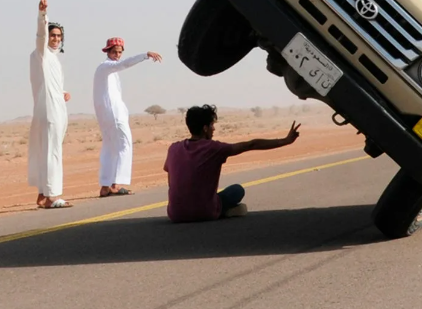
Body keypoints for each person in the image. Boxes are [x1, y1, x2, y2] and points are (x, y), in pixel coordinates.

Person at [164, 105, 301, 222]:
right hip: (206, 212)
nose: (214, 129)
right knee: (237, 190)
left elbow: (173, 177)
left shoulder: (173, 148)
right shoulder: (214, 148)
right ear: (205, 128)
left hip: (176, 215)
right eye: (212, 125)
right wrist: (285, 141)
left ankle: (213, 208)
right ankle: (223, 211)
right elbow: (251, 144)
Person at [93, 38, 162, 197]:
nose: (117, 55)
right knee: (124, 144)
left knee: (110, 147)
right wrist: (145, 55)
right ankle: (116, 184)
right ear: (108, 52)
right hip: (112, 114)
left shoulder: (109, 71)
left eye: (119, 52)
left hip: (109, 113)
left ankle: (105, 186)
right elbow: (123, 64)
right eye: (114, 52)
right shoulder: (106, 66)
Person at [29, 0, 72, 209]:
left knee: (49, 149)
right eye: (52, 35)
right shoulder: (41, 53)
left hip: (55, 106)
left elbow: (49, 82)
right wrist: (42, 13)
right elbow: (40, 36)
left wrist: (62, 92)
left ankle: (43, 194)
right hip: (49, 109)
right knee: (52, 151)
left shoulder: (53, 59)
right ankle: (52, 195)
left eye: (58, 36)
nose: (55, 39)